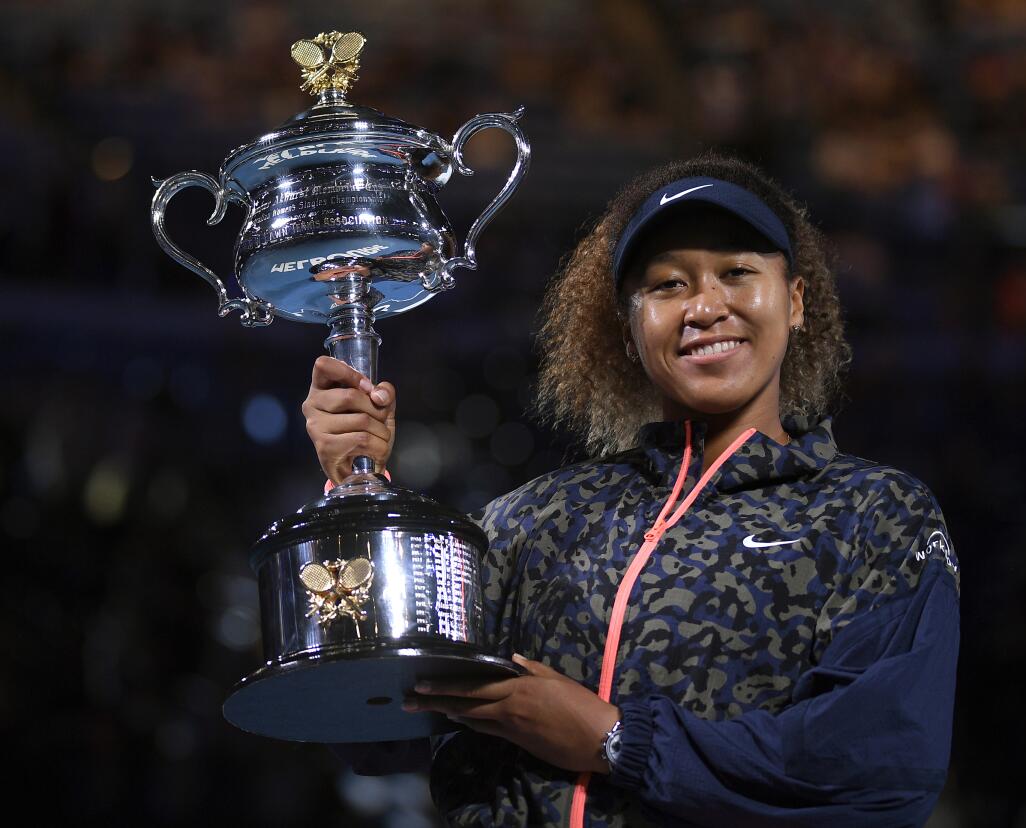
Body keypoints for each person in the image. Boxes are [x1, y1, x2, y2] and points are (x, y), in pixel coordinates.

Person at [303, 153, 962, 827]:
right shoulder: (532, 522)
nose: (705, 306)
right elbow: (374, 723)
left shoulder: (872, 515)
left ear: (795, 301)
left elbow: (878, 769)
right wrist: (355, 489)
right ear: (627, 326)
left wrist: (614, 739)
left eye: (737, 273)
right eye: (668, 285)